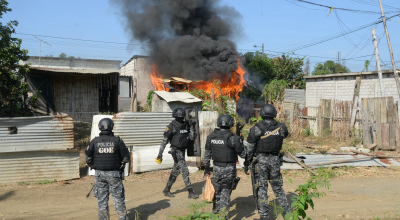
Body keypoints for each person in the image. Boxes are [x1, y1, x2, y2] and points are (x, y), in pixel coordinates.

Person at [245, 104, 291, 220]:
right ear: (274, 114)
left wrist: (248, 162)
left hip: (261, 161)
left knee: (262, 188)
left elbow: (250, 148)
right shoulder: (281, 127)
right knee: (278, 187)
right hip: (275, 160)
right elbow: (284, 135)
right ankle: (287, 213)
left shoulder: (257, 128)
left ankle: (264, 216)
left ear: (262, 114)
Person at [85, 118, 130, 220]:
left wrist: (93, 166)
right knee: (118, 200)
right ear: (111, 127)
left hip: (99, 175)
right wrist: (121, 165)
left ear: (100, 127)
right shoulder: (117, 141)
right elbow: (126, 157)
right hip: (114, 174)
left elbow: (88, 158)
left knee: (102, 202)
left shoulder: (94, 141)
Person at [203, 114, 246, 219]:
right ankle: (223, 217)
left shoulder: (211, 137)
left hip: (216, 168)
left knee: (217, 192)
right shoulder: (233, 138)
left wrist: (207, 170)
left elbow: (207, 155)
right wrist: (240, 141)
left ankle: (215, 214)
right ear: (230, 124)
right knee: (225, 194)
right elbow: (243, 154)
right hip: (229, 169)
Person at [157, 108, 199, 199]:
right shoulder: (171, 127)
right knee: (185, 170)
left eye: (182, 117)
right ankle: (190, 192)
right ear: (175, 117)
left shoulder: (186, 125)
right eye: (179, 117)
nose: (181, 119)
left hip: (182, 150)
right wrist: (160, 154)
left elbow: (191, 138)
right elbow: (164, 141)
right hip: (175, 151)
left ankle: (166, 190)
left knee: (176, 171)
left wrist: (192, 128)